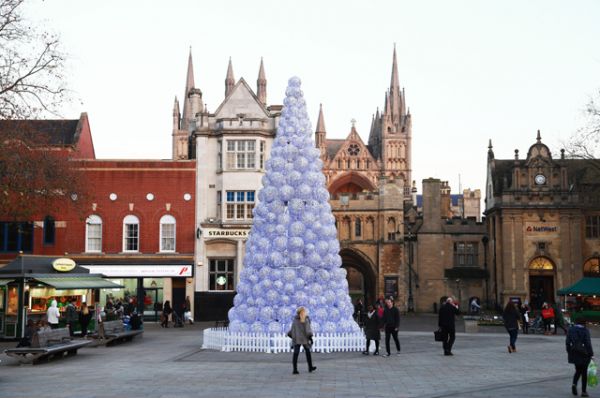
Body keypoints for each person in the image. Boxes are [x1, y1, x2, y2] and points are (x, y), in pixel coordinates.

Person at [566, 318, 594, 397]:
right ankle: (584, 392)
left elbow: (567, 342)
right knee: (584, 372)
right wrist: (591, 354)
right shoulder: (585, 330)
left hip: (574, 352)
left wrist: (569, 352)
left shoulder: (571, 330)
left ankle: (574, 384)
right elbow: (588, 343)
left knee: (578, 370)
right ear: (584, 324)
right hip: (584, 353)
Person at [287, 306, 316, 374]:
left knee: (296, 354)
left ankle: (295, 369)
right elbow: (308, 330)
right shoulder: (305, 320)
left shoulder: (295, 320)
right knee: (308, 353)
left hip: (297, 339)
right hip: (304, 339)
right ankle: (310, 367)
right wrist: (310, 338)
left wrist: (291, 335)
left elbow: (292, 329)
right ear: (303, 312)